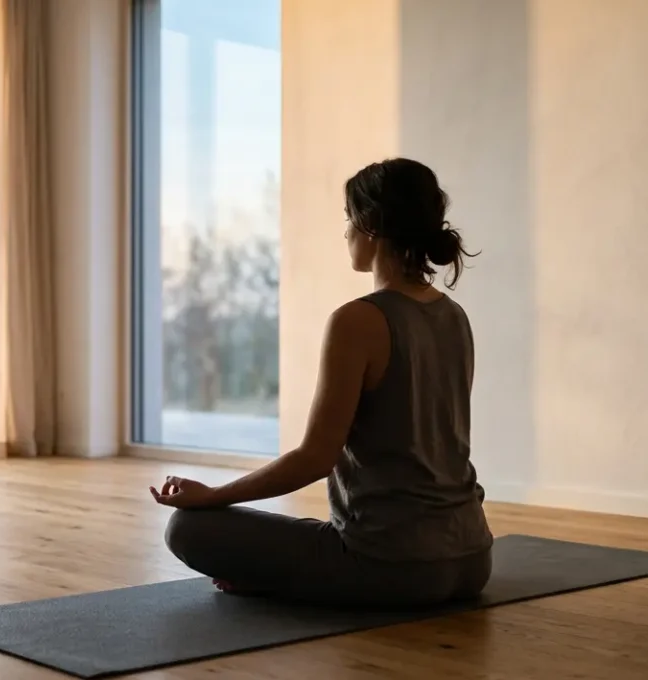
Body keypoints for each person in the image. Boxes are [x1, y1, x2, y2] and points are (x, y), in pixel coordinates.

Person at [150, 157, 494, 609]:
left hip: (392, 567)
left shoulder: (357, 320)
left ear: (371, 226)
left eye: (349, 221)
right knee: (310, 535)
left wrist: (212, 495)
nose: (347, 233)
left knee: (188, 528)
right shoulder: (454, 316)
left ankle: (281, 580)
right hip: (473, 559)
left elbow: (314, 458)